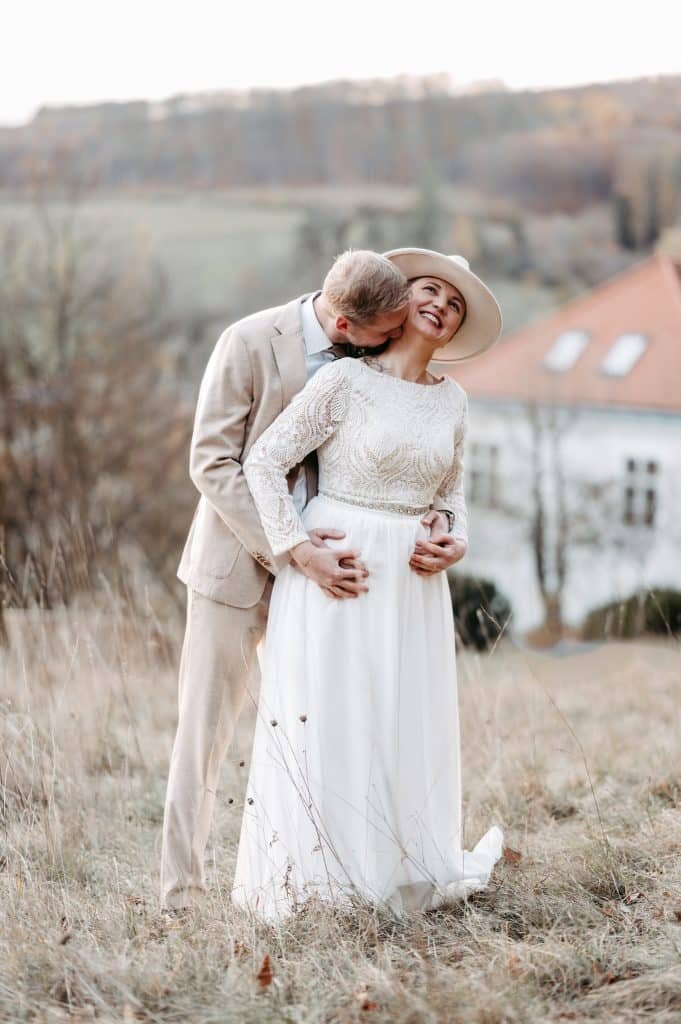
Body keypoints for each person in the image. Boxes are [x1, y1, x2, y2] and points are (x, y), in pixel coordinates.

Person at [160, 250, 460, 912]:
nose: (396, 331)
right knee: (205, 733)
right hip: (239, 567)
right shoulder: (247, 340)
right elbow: (212, 462)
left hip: (336, 581)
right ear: (349, 325)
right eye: (385, 328)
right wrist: (290, 547)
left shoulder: (369, 361)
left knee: (325, 728)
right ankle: (181, 895)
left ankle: (312, 875)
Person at [232, 249, 505, 921]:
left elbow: (453, 491)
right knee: (332, 713)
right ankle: (318, 880)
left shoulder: (454, 401)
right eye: (430, 290)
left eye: (456, 302)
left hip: (412, 585)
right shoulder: (344, 384)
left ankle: (395, 869)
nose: (442, 304)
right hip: (338, 569)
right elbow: (264, 461)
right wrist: (296, 549)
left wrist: (455, 535)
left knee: (401, 716)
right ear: (400, 302)